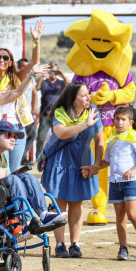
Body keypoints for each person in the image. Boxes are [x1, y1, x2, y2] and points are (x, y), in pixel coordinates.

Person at [0, 120, 65, 233]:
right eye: (8, 135)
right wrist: (0, 175)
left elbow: (5, 181)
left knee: (27, 176)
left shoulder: (1, 157)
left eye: (15, 137)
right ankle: (26, 222)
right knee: (13, 178)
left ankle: (43, 213)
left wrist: (2, 175)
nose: (13, 139)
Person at [41, 82, 103, 259]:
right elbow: (61, 133)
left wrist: (96, 165)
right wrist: (85, 124)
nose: (88, 97)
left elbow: (100, 140)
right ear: (73, 97)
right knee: (59, 202)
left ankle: (75, 244)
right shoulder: (60, 112)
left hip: (83, 159)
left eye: (88, 94)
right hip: (61, 160)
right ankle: (60, 245)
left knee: (77, 202)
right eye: (83, 95)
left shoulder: (93, 110)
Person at [86, 106, 136, 261]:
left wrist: (133, 170)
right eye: (117, 119)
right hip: (115, 182)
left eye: (123, 120)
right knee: (120, 217)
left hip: (131, 182)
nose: (119, 122)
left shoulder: (135, 139)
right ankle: (123, 248)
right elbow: (106, 161)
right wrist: (93, 167)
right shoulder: (112, 140)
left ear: (131, 122)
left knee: (132, 214)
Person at [0, 20, 43, 171]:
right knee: (1, 170)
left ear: (10, 62)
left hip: (18, 128)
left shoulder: (16, 77)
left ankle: (12, 195)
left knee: (13, 171)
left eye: (5, 58)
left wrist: (36, 41)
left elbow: (34, 62)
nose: (2, 60)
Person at [34, 64, 68, 159]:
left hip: (57, 114)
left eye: (55, 72)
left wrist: (63, 75)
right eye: (51, 72)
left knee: (58, 136)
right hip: (45, 114)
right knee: (41, 136)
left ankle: (56, 155)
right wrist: (42, 76)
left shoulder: (61, 83)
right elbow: (37, 87)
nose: (53, 74)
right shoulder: (44, 82)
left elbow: (70, 85)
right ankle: (38, 156)